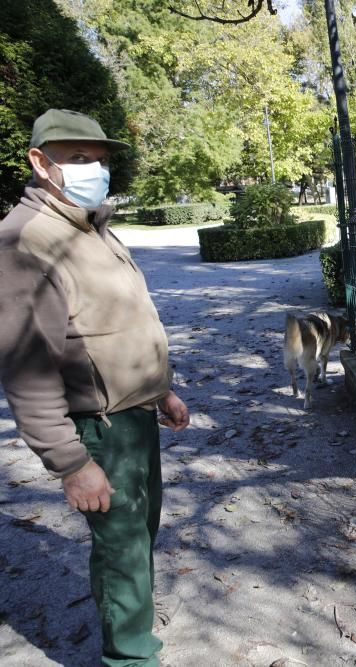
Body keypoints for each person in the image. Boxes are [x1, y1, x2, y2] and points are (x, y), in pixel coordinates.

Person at [0, 108, 189, 666]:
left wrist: (160, 391)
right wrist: (70, 462)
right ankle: (131, 660)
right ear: (40, 162)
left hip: (134, 420)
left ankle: (134, 643)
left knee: (137, 539)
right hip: (98, 430)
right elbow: (25, 369)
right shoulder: (24, 242)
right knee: (123, 549)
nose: (95, 170)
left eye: (100, 160)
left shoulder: (90, 228)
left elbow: (114, 326)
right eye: (79, 159)